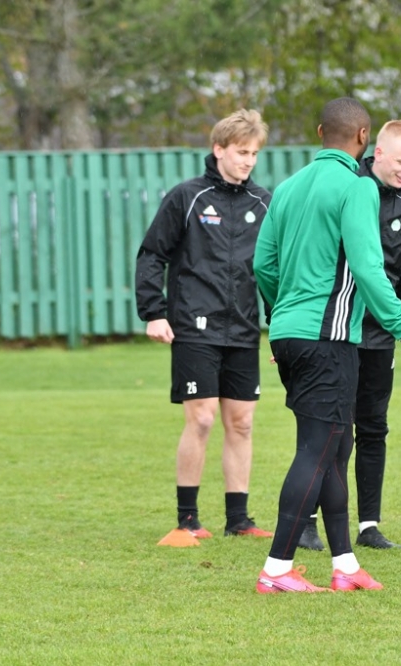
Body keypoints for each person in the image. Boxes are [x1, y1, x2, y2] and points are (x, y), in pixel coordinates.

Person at [252, 98, 401, 594]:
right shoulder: (357, 187)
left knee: (334, 446)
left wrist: (282, 314)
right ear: (363, 139)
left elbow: (263, 265)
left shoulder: (287, 187)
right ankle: (276, 569)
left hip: (289, 333)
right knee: (317, 449)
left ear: (319, 132)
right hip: (328, 339)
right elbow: (370, 270)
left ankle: (345, 564)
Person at [298, 120, 401, 553]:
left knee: (374, 427)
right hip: (336, 329)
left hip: (380, 336)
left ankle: (368, 526)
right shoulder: (347, 188)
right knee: (333, 429)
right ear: (379, 152)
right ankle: (307, 520)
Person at [135, 109, 274, 544]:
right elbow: (152, 255)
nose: (248, 161)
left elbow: (273, 269)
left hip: (244, 328)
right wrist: (154, 312)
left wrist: (280, 325)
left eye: (254, 153)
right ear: (218, 150)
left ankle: (239, 519)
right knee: (201, 418)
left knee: (242, 422)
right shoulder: (187, 197)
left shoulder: (264, 203)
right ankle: (188, 519)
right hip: (194, 326)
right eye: (241, 152)